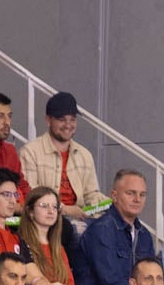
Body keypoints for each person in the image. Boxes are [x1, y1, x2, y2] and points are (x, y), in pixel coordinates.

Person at [74, 169, 154, 285]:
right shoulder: (102, 229)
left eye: (142, 195)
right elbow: (111, 283)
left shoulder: (144, 234)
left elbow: (153, 275)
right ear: (114, 196)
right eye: (131, 193)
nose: (137, 199)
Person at [18, 92, 105, 222]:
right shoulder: (30, 152)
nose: (68, 125)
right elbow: (31, 196)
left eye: (72, 119)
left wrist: (109, 203)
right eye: (62, 119)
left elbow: (91, 194)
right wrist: (64, 209)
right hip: (47, 219)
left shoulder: (84, 154)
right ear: (48, 120)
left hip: (81, 217)